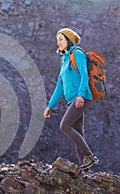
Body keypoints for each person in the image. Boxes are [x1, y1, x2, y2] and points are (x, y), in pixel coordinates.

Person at [43, 28, 99, 170]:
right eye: (57, 40)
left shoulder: (77, 53)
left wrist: (81, 94)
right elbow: (59, 87)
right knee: (77, 133)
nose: (58, 43)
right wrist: (50, 106)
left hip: (82, 97)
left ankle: (89, 156)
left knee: (65, 126)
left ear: (68, 40)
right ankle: (85, 168)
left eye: (61, 39)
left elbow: (84, 75)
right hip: (73, 99)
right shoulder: (64, 60)